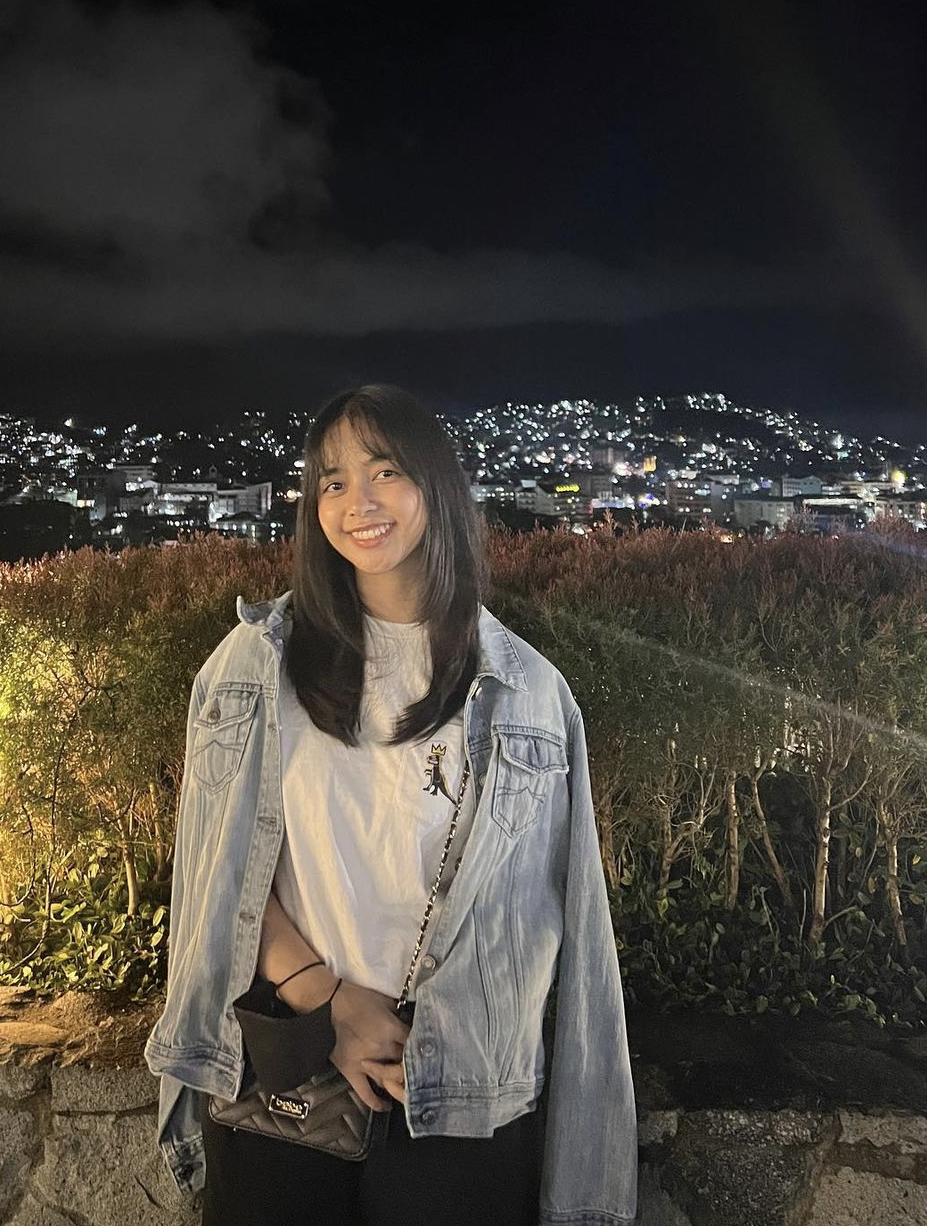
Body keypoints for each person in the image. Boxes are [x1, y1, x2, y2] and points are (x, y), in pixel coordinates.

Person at [145, 384, 636, 1225]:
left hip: (464, 1094)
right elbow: (214, 877)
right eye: (331, 480)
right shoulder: (253, 668)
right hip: (290, 1074)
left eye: (384, 472)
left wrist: (592, 1175)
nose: (356, 502)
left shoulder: (528, 695)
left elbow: (578, 938)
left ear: (436, 489)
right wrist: (328, 1000)